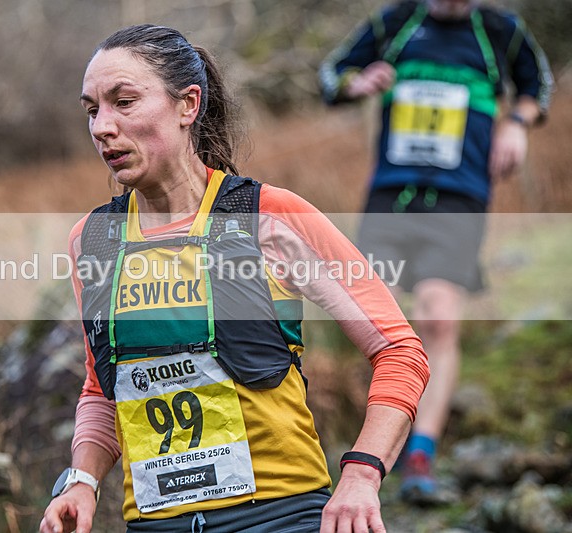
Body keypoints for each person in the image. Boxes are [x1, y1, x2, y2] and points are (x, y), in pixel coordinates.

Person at [40, 24, 430, 533]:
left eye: (124, 102)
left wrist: (363, 472)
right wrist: (82, 482)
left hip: (280, 516)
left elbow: (400, 351)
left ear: (187, 105)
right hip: (156, 523)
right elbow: (102, 389)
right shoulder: (91, 240)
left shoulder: (270, 217)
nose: (102, 127)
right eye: (93, 109)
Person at [319, 0, 553, 504]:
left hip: (459, 197)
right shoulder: (396, 22)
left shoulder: (500, 32)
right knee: (372, 323)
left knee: (439, 318)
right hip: (391, 193)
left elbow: (539, 86)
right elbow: (330, 76)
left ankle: (420, 452)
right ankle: (379, 441)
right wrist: (355, 84)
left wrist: (516, 121)